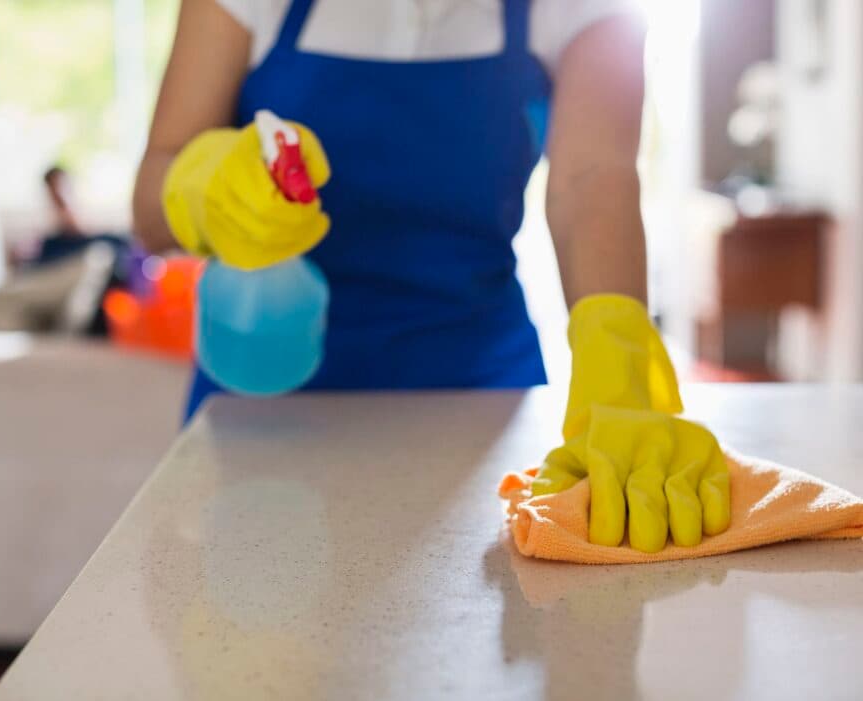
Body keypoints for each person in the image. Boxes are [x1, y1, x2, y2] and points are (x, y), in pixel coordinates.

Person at [132, 0, 731, 553]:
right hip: (262, 396)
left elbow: (592, 177)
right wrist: (203, 186)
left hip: (482, 402)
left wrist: (617, 358)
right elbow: (149, 204)